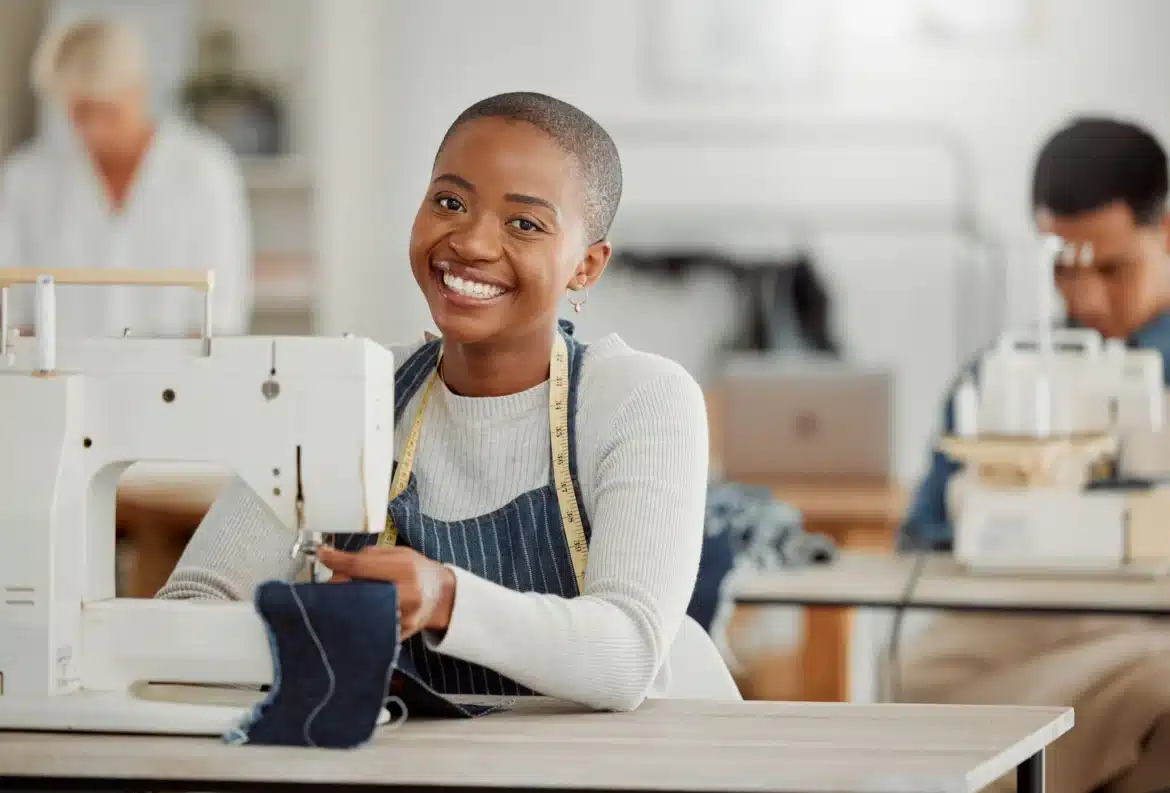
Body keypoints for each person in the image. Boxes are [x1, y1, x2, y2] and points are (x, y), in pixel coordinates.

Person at [157, 91, 734, 711]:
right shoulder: (338, 393)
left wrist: (445, 599)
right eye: (450, 202)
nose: (472, 243)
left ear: (586, 267)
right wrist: (302, 639)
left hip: (620, 766)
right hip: (409, 760)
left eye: (524, 223)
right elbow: (190, 611)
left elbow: (628, 654)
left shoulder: (641, 399)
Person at [899, 117, 1170, 793]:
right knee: (910, 683)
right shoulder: (1001, 375)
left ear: (1167, 233)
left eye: (1112, 268)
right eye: (1063, 268)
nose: (1083, 296)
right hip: (1012, 632)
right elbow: (926, 529)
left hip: (1145, 629)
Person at [0, 18, 252, 339]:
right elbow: (13, 313)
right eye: (80, 112)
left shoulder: (205, 170)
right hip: (58, 380)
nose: (94, 129)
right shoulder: (26, 178)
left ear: (139, 90)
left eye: (107, 111)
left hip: (174, 381)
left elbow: (223, 312)